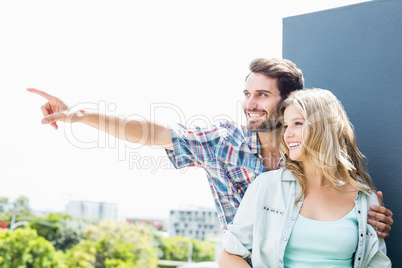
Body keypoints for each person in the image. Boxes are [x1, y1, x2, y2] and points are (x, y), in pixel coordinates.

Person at [27, 58, 393, 237]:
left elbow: (354, 205)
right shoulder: (222, 142)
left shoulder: (312, 146)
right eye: (247, 94)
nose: (250, 104)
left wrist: (369, 218)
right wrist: (80, 115)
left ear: (289, 99)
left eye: (262, 95)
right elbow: (153, 132)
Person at [220, 89, 391, 267]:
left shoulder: (365, 197)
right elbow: (230, 255)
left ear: (325, 127)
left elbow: (377, 264)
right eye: (286, 126)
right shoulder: (266, 186)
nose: (287, 134)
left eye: (298, 123)